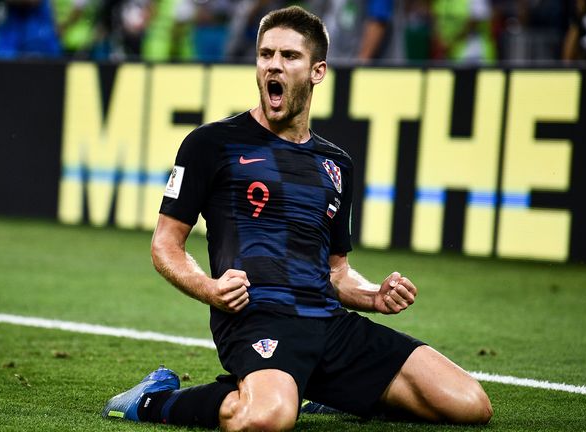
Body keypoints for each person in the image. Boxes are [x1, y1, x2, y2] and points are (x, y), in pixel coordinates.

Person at [102, 5, 493, 430]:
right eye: (265, 54)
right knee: (269, 418)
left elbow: (337, 272)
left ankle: (324, 387)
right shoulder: (210, 144)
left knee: (469, 404)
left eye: (289, 56)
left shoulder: (335, 164)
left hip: (329, 323)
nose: (273, 64)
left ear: (317, 71)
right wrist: (211, 289)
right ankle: (154, 401)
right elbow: (165, 244)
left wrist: (373, 296)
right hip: (257, 319)